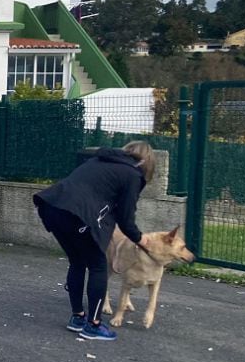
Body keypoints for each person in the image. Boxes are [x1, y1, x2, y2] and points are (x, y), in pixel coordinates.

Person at [33, 141, 154, 341]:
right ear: (146, 162)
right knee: (98, 266)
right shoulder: (132, 175)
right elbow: (126, 218)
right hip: (77, 214)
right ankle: (93, 325)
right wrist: (140, 239)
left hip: (52, 207)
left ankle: (78, 317)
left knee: (77, 261)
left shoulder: (99, 160)